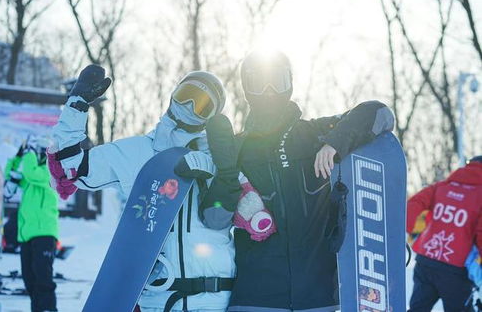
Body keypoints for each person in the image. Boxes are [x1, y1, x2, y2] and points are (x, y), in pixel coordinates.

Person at [199, 50, 395, 311]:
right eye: (259, 83)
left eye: (277, 81)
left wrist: (334, 144)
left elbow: (379, 113)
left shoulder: (315, 134)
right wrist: (226, 173)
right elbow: (214, 219)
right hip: (255, 299)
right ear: (247, 88)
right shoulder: (236, 149)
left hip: (319, 297)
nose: (269, 91)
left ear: (289, 84)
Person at [48, 65, 235, 312]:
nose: (189, 106)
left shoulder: (222, 160)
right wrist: (77, 105)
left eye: (201, 105)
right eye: (185, 95)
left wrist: (226, 170)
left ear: (211, 116)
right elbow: (69, 165)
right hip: (161, 298)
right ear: (173, 95)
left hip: (217, 299)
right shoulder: (137, 153)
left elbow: (237, 214)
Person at [407, 155, 482, 312]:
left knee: (417, 309)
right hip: (455, 268)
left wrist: (404, 229)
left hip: (426, 259)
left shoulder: (441, 186)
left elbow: (414, 203)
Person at [4, 136, 59, 312]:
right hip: (26, 234)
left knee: (43, 279)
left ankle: (50, 309)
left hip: (44, 232)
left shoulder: (50, 172)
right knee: (29, 280)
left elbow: (31, 173)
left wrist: (29, 155)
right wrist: (18, 156)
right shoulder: (30, 177)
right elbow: (10, 175)